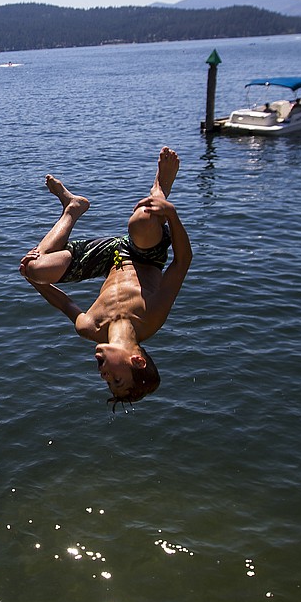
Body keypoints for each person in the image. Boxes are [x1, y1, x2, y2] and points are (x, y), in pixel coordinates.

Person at [18, 146, 192, 408]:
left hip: (106, 259)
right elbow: (181, 263)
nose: (104, 376)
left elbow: (65, 304)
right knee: (142, 221)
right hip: (144, 256)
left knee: (36, 268)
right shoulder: (152, 317)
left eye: (108, 383)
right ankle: (160, 188)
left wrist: (33, 281)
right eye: (116, 380)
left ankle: (72, 208)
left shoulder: (90, 328)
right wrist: (171, 213)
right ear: (137, 360)